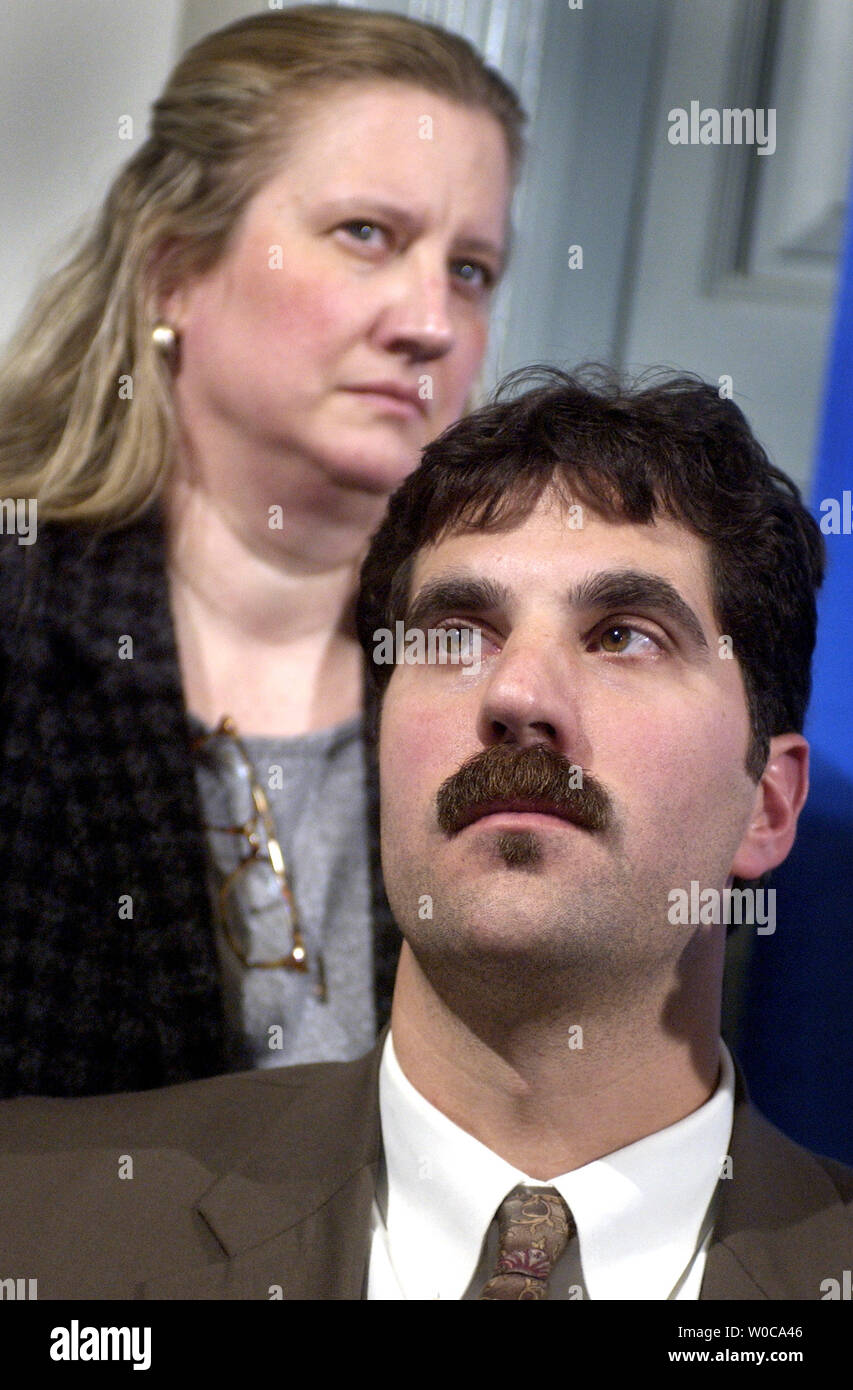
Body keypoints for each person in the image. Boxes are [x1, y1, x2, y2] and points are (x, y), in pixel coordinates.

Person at [1, 366, 849, 1301]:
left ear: (768, 803)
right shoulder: (31, 1225)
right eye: (454, 635)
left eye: (622, 635)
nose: (517, 696)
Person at [0, 7, 524, 1096]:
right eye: (367, 234)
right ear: (175, 271)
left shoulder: (494, 678)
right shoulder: (20, 626)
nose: (429, 318)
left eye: (470, 268)